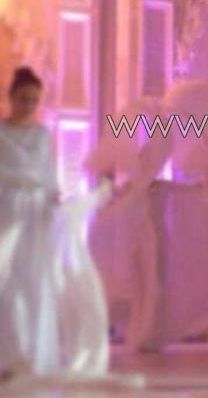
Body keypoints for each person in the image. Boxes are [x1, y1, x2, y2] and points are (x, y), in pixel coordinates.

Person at [0, 67, 110, 380]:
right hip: (6, 212)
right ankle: (7, 357)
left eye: (34, 100)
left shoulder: (42, 135)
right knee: (7, 283)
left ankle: (31, 357)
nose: (28, 105)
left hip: (36, 216)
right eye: (23, 98)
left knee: (34, 283)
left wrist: (58, 204)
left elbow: (48, 177)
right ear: (10, 97)